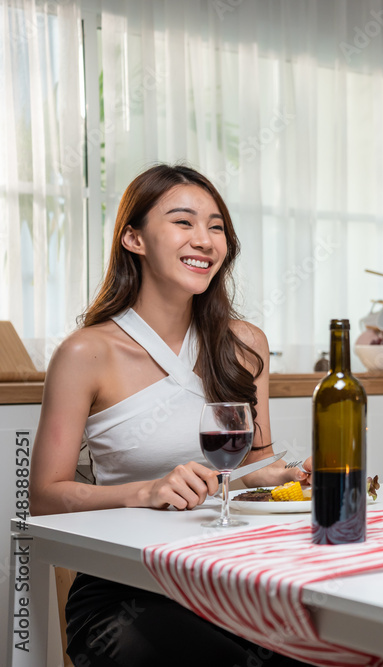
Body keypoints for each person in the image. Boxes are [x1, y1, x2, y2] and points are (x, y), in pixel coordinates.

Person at [30, 164, 311, 666]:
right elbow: (45, 498)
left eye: (217, 226)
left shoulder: (245, 345)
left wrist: (286, 477)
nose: (205, 239)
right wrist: (147, 491)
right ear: (134, 238)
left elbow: (254, 468)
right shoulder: (86, 353)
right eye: (183, 222)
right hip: (126, 595)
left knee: (339, 646)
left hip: (232, 578)